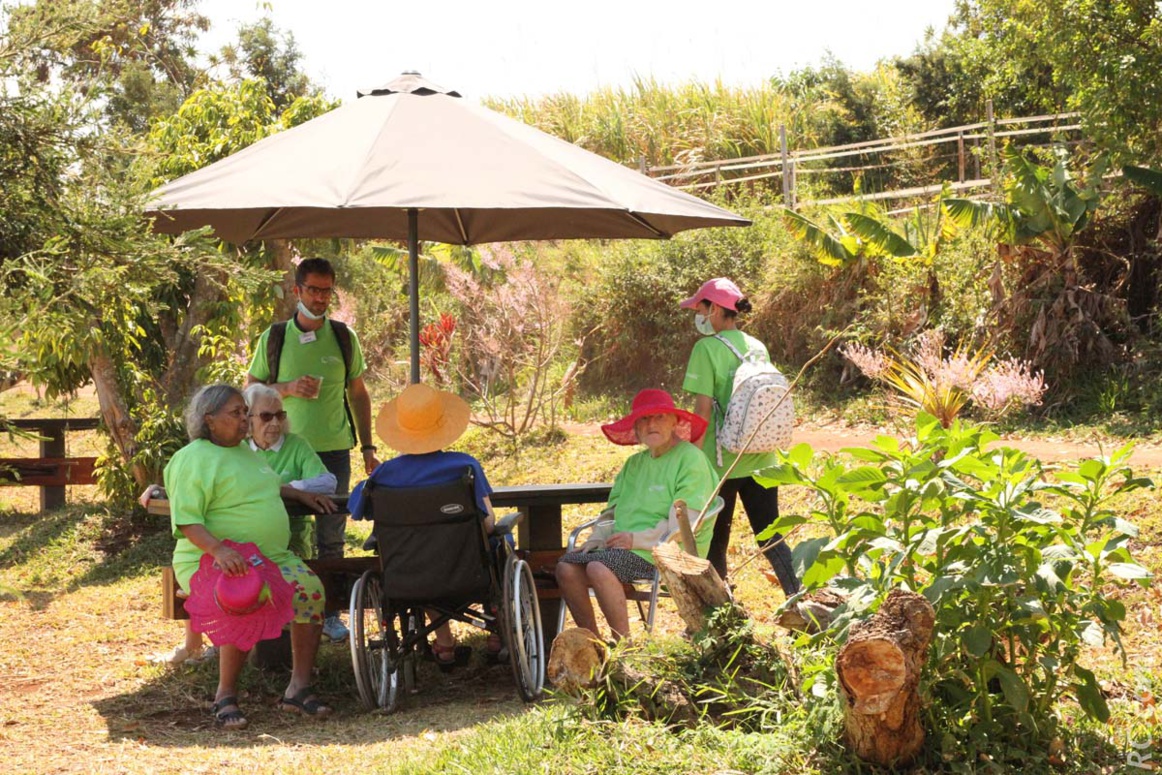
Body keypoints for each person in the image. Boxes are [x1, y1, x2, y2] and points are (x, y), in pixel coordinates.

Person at [165, 384, 336, 729]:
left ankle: (298, 690)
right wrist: (219, 549)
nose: (245, 419)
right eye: (236, 413)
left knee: (311, 591)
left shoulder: (246, 452)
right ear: (209, 420)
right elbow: (187, 520)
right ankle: (225, 696)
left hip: (270, 556)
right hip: (212, 557)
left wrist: (297, 495)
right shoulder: (193, 458)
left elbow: (268, 486)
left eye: (246, 412)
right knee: (242, 599)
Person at [247, 257, 379, 642]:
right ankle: (281, 612)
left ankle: (332, 613)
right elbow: (250, 390)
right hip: (281, 450)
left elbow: (358, 392)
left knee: (332, 536)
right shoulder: (274, 338)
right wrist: (285, 389)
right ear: (297, 291)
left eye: (326, 291)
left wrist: (368, 446)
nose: (320, 298)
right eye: (313, 290)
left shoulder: (342, 337)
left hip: (334, 450)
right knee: (279, 531)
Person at [348, 382, 500, 668]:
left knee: (417, 549)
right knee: (495, 546)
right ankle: (497, 627)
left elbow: (358, 509)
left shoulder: (382, 477)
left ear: (400, 430)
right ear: (443, 425)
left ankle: (443, 642)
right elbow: (488, 523)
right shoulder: (464, 467)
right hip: (466, 569)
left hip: (410, 574)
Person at [555, 389, 716, 642]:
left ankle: (624, 646)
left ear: (675, 422)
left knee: (599, 567)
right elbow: (611, 513)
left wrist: (636, 540)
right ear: (636, 427)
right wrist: (597, 538)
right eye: (643, 419)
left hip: (665, 553)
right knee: (566, 567)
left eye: (660, 417)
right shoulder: (633, 465)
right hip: (620, 549)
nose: (651, 424)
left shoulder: (691, 460)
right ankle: (594, 645)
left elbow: (685, 525)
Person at [680, 277, 800, 595]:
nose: (699, 316)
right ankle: (799, 601)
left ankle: (723, 614)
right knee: (771, 535)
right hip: (762, 456)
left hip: (721, 462)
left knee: (716, 539)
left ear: (716, 309)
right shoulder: (756, 344)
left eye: (701, 308)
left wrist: (690, 454)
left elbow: (702, 410)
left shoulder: (706, 348)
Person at [243, 383, 339, 559]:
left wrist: (290, 488)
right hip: (247, 541)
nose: (275, 422)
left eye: (280, 415)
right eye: (266, 416)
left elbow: (328, 482)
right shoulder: (239, 449)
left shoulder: (296, 444)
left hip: (292, 543)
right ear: (248, 418)